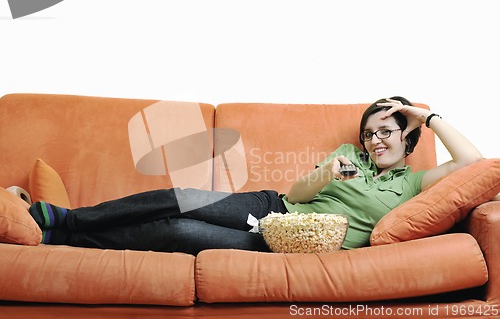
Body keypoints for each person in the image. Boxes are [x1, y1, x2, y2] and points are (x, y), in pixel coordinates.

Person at [28, 97, 483, 255]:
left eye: (386, 132)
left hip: (288, 243)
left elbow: (473, 163)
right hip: (274, 207)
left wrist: (429, 115)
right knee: (180, 197)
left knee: (179, 230)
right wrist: (326, 173)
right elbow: (296, 192)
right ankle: (66, 219)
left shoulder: (414, 184)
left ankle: (62, 240)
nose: (374, 141)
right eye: (369, 134)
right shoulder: (349, 155)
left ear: (409, 137)